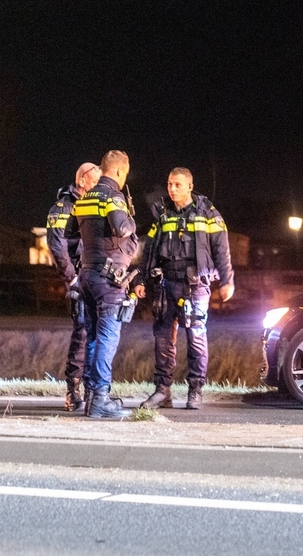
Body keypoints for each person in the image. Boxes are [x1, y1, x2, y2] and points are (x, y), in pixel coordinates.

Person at [136, 167, 234, 410]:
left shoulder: (208, 213)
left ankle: (195, 390)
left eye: (178, 185)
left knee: (196, 338)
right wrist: (140, 278)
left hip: (196, 287)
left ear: (190, 186)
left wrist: (227, 280)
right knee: (162, 339)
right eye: (170, 184)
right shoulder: (162, 213)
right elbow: (149, 249)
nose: (172, 189)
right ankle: (162, 391)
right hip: (166, 284)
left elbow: (222, 249)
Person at [65, 150, 140, 419]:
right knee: (108, 337)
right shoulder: (114, 197)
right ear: (119, 172)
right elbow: (122, 228)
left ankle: (93, 395)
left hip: (86, 276)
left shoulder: (84, 198)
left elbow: (68, 232)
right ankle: (100, 399)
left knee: (95, 337)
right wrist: (131, 220)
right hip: (109, 279)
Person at [45, 161, 100, 411]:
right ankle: (73, 391)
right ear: (82, 181)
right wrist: (72, 279)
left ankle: (94, 389)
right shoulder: (63, 207)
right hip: (79, 277)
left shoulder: (96, 205)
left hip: (95, 276)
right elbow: (57, 247)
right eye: (95, 181)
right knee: (82, 332)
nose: (100, 186)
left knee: (99, 333)